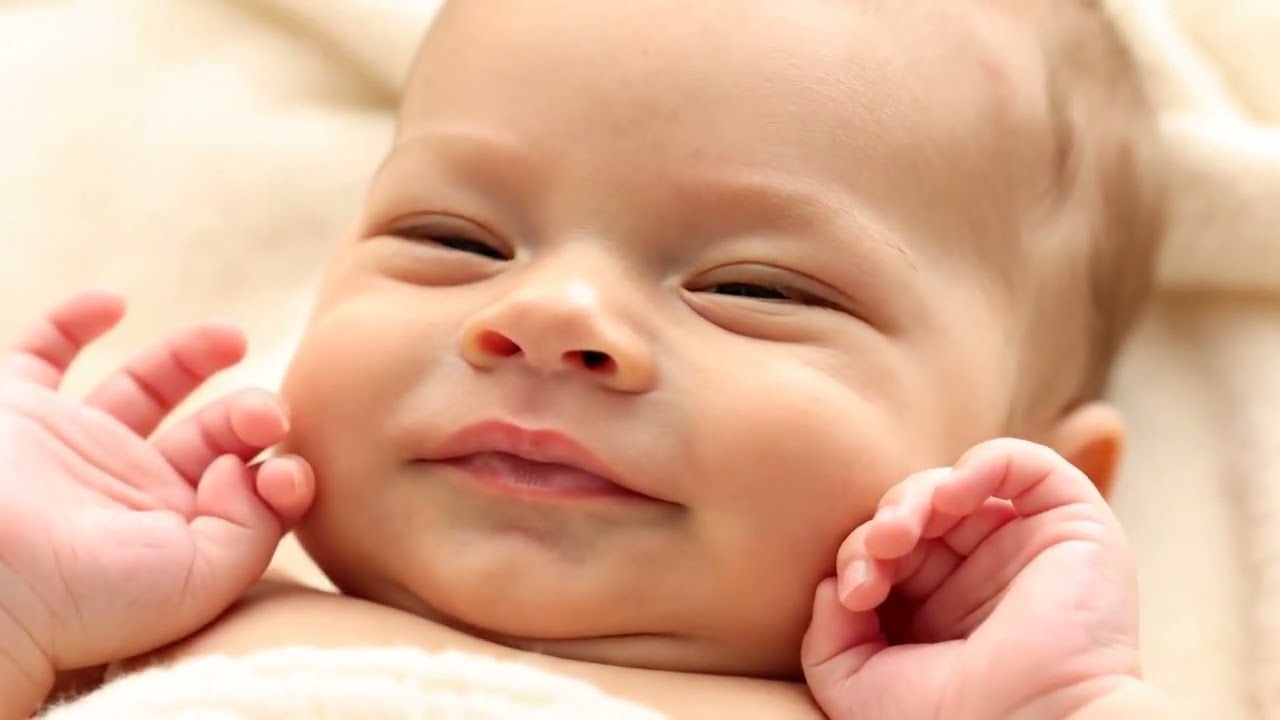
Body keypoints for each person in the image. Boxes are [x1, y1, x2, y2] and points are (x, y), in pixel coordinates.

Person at [0, 0, 1179, 717]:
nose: (552, 313)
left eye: (752, 289)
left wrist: (1064, 708)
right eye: (453, 239)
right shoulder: (148, 631)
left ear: (1022, 478)